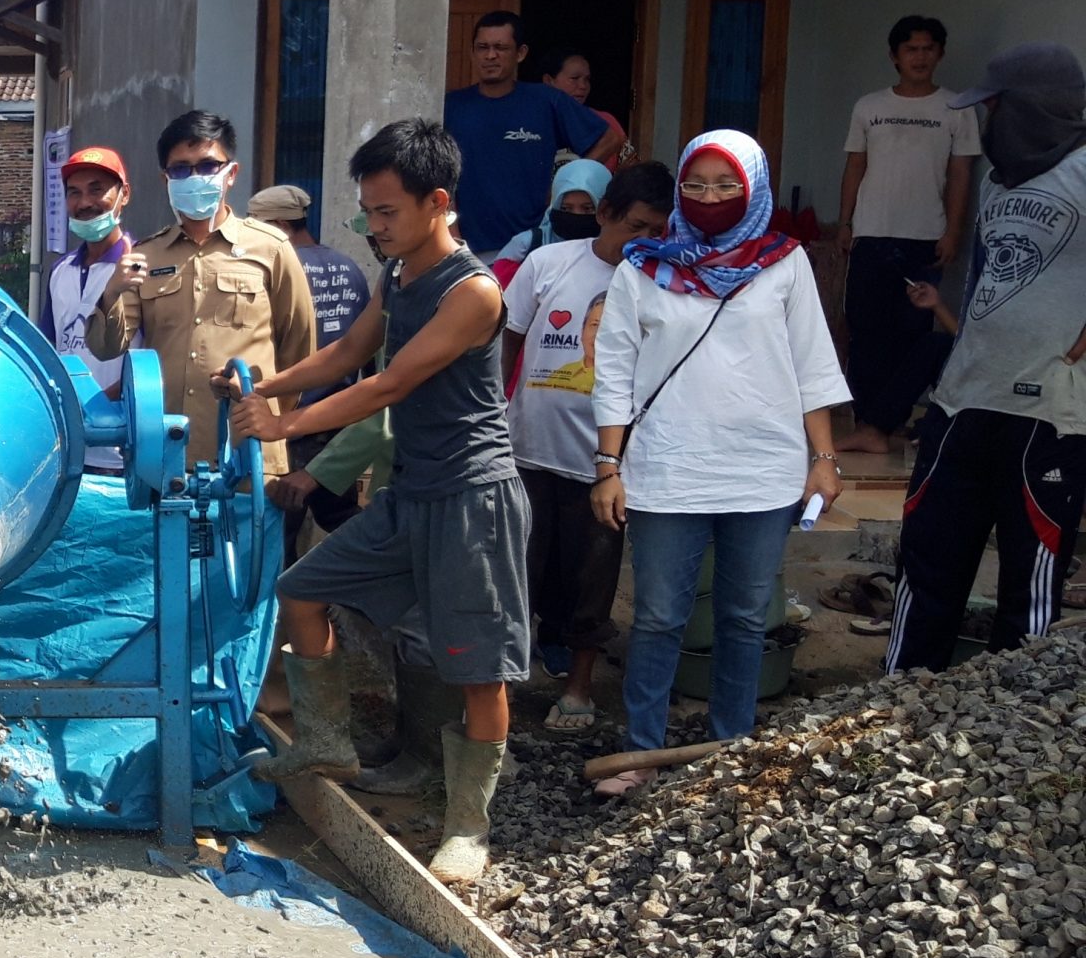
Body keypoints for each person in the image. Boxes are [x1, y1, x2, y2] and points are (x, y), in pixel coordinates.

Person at [218, 118, 526, 884]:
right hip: (411, 489)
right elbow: (351, 351)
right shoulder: (396, 278)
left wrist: (283, 424)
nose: (375, 227)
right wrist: (265, 382)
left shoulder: (474, 292)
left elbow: (386, 384)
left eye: (387, 213)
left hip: (471, 499)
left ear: (438, 203)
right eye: (368, 213)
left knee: (477, 669)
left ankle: (468, 826)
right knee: (303, 588)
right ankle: (328, 742)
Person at [587, 130, 848, 796]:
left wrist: (823, 458)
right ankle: (642, 752)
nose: (709, 197)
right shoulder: (643, 267)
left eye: (725, 184)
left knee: (743, 616)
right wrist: (608, 465)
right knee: (657, 617)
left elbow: (812, 363)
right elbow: (613, 372)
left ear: (753, 187)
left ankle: (731, 747)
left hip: (763, 470)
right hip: (667, 469)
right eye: (696, 185)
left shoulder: (784, 263)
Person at [885, 43, 1086, 673]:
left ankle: (1013, 719)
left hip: (1047, 415)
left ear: (1029, 110)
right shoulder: (999, 182)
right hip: (962, 401)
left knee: (1028, 586)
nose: (984, 119)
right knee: (927, 560)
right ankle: (898, 702)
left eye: (993, 106)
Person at [501, 162, 675, 732]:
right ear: (603, 215)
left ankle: (578, 688)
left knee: (592, 580)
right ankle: (495, 688)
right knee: (513, 572)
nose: (646, 242)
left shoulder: (665, 284)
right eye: (637, 227)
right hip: (528, 453)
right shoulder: (547, 264)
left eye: (659, 231)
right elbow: (511, 342)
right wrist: (504, 417)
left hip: (605, 469)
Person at [88, 111, 316, 474]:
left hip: (248, 455)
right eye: (180, 169)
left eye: (208, 166)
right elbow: (105, 348)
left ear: (232, 174)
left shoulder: (271, 248)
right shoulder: (147, 255)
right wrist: (112, 292)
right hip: (167, 456)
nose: (195, 178)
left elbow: (299, 349)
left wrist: (269, 414)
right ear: (166, 179)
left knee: (250, 532)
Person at [834, 16, 984, 456]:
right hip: (871, 233)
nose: (920, 57)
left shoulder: (957, 109)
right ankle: (867, 422)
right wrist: (845, 223)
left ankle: (890, 421)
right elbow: (855, 166)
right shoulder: (869, 106)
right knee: (865, 331)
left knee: (912, 335)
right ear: (894, 56)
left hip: (924, 237)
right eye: (911, 49)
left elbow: (961, 176)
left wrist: (952, 231)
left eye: (928, 48)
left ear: (940, 53)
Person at [251, 183, 371, 551]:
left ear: (280, 226)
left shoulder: (276, 270)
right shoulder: (349, 267)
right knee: (344, 526)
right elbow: (363, 354)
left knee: (275, 540)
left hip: (288, 427)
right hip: (340, 427)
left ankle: (288, 609)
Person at [444, 12, 623, 258]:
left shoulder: (545, 101)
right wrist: (450, 231)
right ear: (473, 52)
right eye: (482, 47)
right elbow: (438, 174)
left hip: (534, 245)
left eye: (501, 47)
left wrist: (565, 183)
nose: (490, 55)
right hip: (469, 246)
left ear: (521, 53)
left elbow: (610, 139)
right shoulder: (452, 106)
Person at [40, 146, 136, 472]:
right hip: (68, 445)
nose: (84, 203)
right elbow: (48, 351)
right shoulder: (60, 270)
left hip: (124, 448)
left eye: (97, 190)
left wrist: (92, 406)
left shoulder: (140, 268)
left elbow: (157, 359)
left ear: (124, 195)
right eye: (74, 193)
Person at [496, 159, 611, 269]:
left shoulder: (617, 253)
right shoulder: (525, 246)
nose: (576, 215)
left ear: (604, 209)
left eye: (588, 208)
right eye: (566, 209)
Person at [538, 49, 637, 173]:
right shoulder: (531, 121)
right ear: (548, 81)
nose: (583, 86)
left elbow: (633, 173)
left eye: (587, 79)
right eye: (574, 78)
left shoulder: (606, 121)